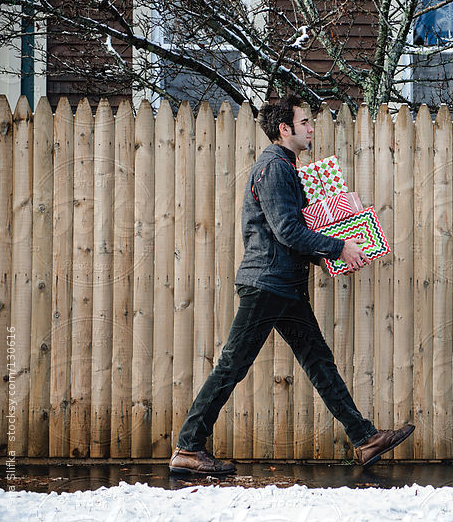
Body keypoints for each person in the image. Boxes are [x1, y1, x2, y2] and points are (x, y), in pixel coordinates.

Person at [169, 94, 414, 476]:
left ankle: (364, 439)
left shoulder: (286, 168)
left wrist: (336, 257)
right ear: (285, 129)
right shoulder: (274, 168)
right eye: (304, 123)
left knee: (319, 363)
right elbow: (287, 231)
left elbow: (292, 234)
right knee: (232, 366)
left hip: (284, 286)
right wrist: (339, 247)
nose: (311, 128)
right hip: (267, 285)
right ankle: (188, 447)